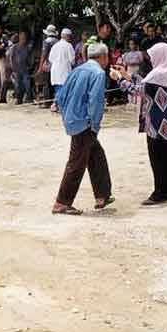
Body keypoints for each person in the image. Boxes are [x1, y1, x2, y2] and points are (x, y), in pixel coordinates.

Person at [113, 43, 167, 205]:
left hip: (159, 124)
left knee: (158, 157)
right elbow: (146, 84)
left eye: (152, 57)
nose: (151, 60)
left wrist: (119, 80)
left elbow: (138, 90)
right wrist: (127, 75)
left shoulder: (158, 75)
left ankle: (161, 192)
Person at [52, 42, 114, 215]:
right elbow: (95, 102)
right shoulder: (98, 73)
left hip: (73, 119)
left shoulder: (77, 70)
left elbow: (61, 95)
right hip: (85, 123)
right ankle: (62, 202)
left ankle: (103, 195)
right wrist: (94, 124)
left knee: (96, 155)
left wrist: (66, 116)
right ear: (103, 57)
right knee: (77, 162)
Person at [49, 28, 76, 112]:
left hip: (55, 71)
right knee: (63, 89)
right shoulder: (68, 46)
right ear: (67, 36)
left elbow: (50, 59)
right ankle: (60, 106)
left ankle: (55, 105)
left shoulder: (55, 46)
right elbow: (72, 60)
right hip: (64, 71)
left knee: (58, 89)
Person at [36, 25, 59, 107]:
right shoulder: (58, 41)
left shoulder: (46, 41)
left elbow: (44, 54)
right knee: (53, 83)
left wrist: (40, 66)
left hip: (48, 64)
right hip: (56, 64)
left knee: (46, 83)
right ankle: (53, 101)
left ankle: (47, 102)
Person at [9, 30, 34, 105]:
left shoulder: (28, 47)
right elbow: (11, 58)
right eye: (22, 37)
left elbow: (31, 58)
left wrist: (30, 66)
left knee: (27, 84)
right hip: (17, 69)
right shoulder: (15, 47)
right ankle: (18, 99)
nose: (24, 39)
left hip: (25, 69)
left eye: (25, 38)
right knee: (18, 85)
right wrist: (12, 67)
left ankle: (29, 98)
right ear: (19, 38)